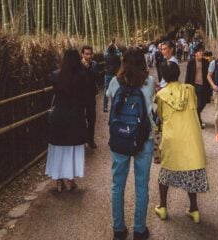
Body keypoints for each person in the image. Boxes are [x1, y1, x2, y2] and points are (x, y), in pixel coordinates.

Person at [106, 48, 156, 240]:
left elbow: (111, 98)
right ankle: (139, 229)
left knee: (117, 184)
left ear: (123, 62)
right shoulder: (149, 82)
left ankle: (119, 229)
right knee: (142, 185)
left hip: (120, 138)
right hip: (144, 138)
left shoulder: (114, 82)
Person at [154, 61, 208, 224]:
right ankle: (194, 209)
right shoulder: (190, 90)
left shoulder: (161, 95)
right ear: (178, 73)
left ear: (163, 76)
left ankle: (163, 207)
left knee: (165, 173)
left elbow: (162, 118)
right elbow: (196, 106)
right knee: (191, 172)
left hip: (172, 138)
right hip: (191, 137)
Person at [45, 49, 87, 192]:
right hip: (75, 116)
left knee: (58, 148)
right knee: (72, 149)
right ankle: (70, 179)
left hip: (59, 115)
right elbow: (86, 96)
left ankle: (58, 181)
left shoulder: (56, 75)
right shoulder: (82, 76)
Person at [80, 45, 101, 149]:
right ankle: (81, 140)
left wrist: (88, 68)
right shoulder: (78, 65)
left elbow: (97, 76)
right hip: (80, 96)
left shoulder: (94, 64)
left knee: (91, 118)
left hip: (91, 95)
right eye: (86, 54)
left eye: (90, 54)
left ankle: (90, 140)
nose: (89, 56)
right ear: (82, 54)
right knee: (80, 118)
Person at [185, 44, 211, 128]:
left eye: (202, 51)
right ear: (195, 53)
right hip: (194, 86)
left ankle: (195, 118)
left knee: (202, 103)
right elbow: (188, 75)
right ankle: (198, 122)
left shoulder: (206, 62)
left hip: (204, 86)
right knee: (197, 104)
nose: (201, 53)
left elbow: (209, 75)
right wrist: (186, 87)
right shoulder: (191, 62)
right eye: (199, 51)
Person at [103, 43, 122, 112]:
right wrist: (116, 48)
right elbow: (120, 63)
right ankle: (114, 105)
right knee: (116, 89)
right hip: (115, 74)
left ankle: (105, 106)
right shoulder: (117, 57)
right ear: (114, 50)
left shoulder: (105, 57)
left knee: (106, 89)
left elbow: (105, 53)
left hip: (107, 74)